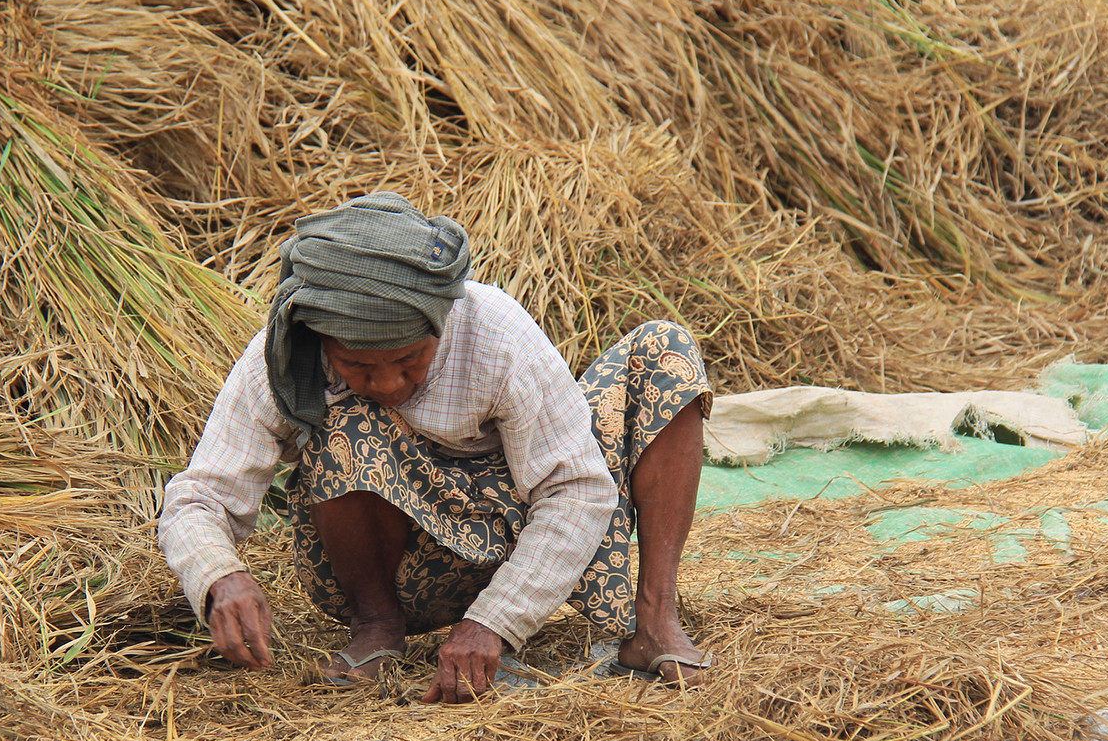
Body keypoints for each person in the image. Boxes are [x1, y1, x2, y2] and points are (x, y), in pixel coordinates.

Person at [159, 191, 714, 702]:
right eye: (357, 365)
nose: (389, 384)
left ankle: (655, 617)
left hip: (525, 532)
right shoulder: (286, 357)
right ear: (322, 339)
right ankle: (378, 625)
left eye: (409, 362)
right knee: (349, 420)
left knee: (663, 349)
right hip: (413, 565)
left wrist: (495, 620)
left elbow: (577, 488)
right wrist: (218, 576)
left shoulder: (493, 332)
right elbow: (198, 497)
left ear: (440, 325)